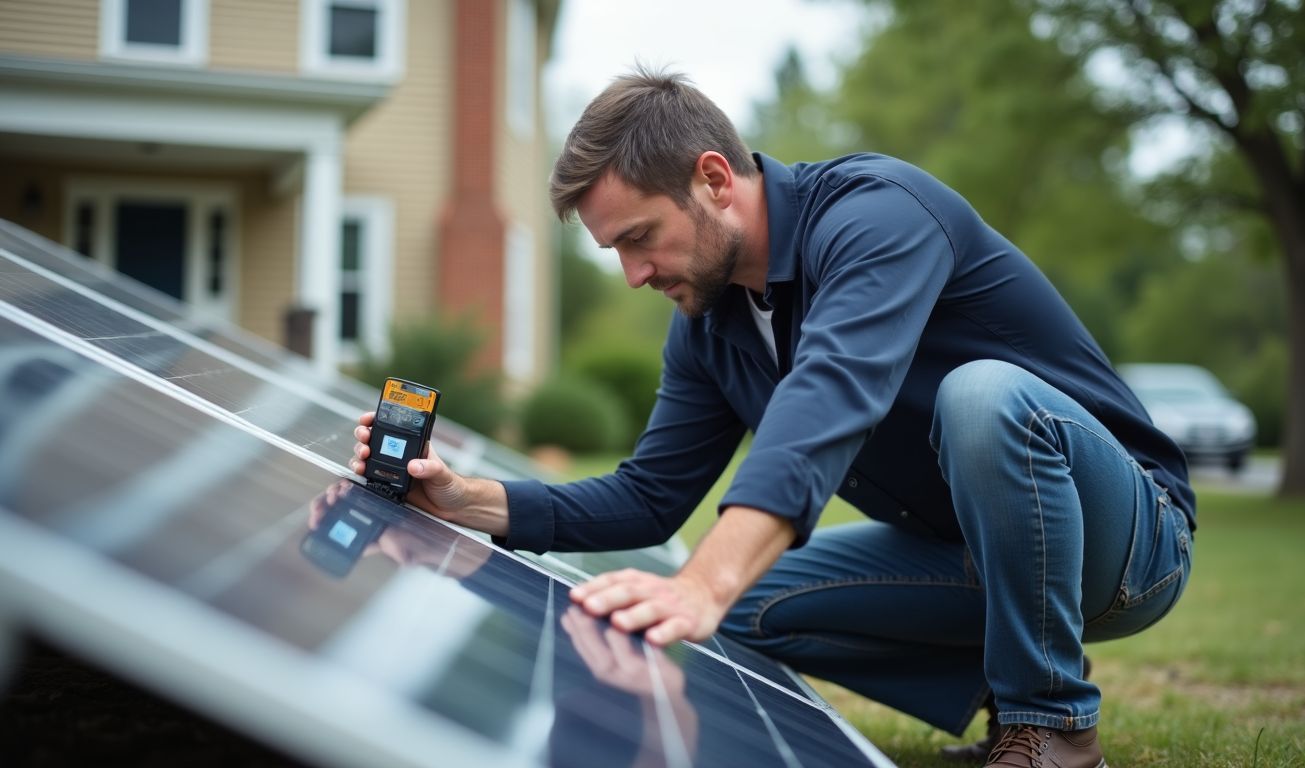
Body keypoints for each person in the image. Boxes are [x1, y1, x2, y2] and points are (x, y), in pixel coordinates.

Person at [351, 67, 1193, 768]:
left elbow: (829, 394)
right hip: (969, 555)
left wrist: (702, 582)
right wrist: (467, 501)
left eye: (641, 238)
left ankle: (1050, 726)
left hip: (1127, 540)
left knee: (983, 396)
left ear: (714, 180)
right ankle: (1014, 675)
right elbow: (648, 496)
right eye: (615, 252)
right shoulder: (709, 327)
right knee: (749, 611)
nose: (634, 274)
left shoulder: (876, 215)